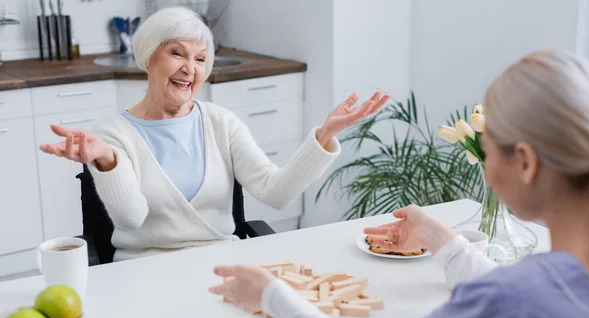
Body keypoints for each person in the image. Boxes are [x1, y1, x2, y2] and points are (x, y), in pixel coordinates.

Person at [209, 49, 589, 318]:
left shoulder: (511, 304)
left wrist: (273, 296)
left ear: (526, 163)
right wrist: (437, 237)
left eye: (489, 142)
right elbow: (524, 300)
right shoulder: (558, 287)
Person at [39, 6, 389, 261]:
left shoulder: (222, 122)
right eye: (176, 53)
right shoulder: (113, 133)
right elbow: (131, 218)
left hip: (220, 265)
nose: (189, 68)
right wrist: (107, 160)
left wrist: (324, 136)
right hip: (144, 271)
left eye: (201, 58)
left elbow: (276, 192)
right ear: (149, 57)